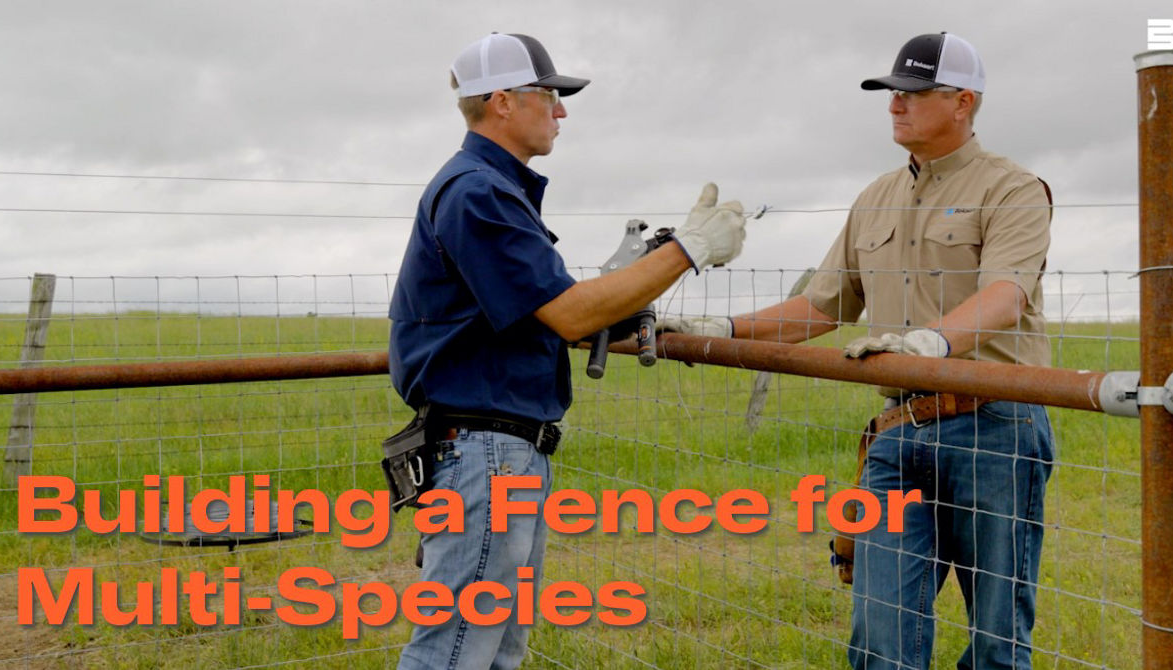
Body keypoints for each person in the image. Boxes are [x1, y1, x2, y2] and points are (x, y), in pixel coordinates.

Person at [661, 32, 1055, 669]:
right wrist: (720, 330)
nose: (896, 105)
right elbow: (822, 308)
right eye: (891, 93)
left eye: (915, 93)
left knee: (997, 636)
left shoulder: (1012, 189)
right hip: (898, 435)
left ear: (964, 101)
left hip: (995, 427)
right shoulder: (875, 198)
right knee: (880, 633)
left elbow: (1005, 296)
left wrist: (931, 343)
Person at [388, 32, 747, 670]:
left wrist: (645, 323)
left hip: (495, 448)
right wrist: (687, 249)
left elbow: (544, 317)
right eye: (550, 95)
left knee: (495, 650)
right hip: (487, 453)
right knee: (456, 650)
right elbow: (570, 311)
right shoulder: (480, 194)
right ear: (503, 101)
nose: (561, 111)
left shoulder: (490, 189)